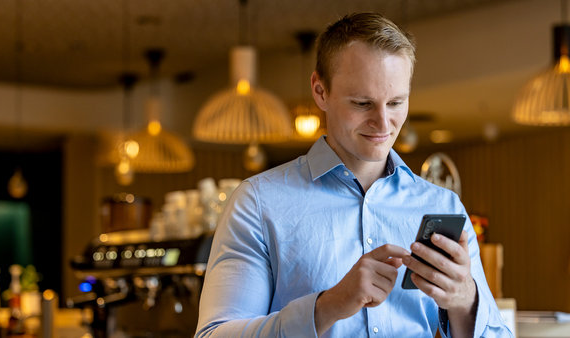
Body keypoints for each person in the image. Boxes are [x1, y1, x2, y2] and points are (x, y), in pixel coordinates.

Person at [196, 12, 512, 337]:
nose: (384, 122)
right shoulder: (258, 203)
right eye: (363, 103)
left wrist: (465, 303)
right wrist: (328, 306)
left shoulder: (443, 205)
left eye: (396, 102)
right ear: (320, 92)